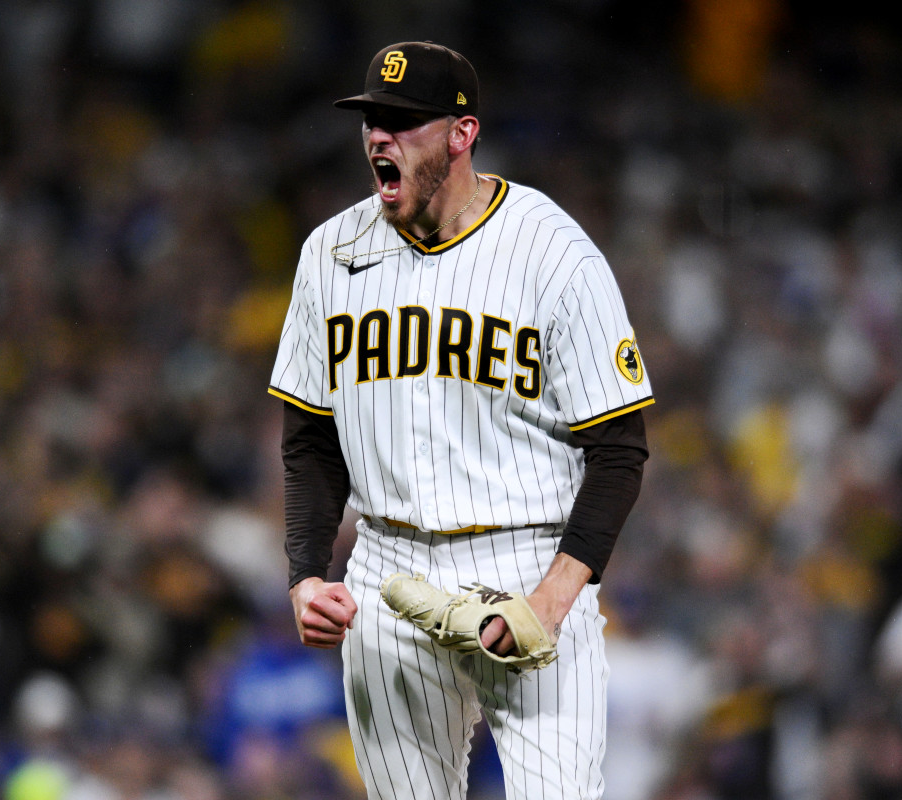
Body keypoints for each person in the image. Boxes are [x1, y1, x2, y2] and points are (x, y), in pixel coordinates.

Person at [268, 41, 653, 799]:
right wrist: (306, 575)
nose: (380, 136)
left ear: (461, 134)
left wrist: (555, 596)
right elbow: (311, 439)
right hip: (389, 572)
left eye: (404, 121)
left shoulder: (552, 253)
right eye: (372, 120)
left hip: (529, 564)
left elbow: (620, 449)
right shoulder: (329, 255)